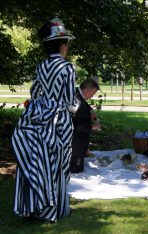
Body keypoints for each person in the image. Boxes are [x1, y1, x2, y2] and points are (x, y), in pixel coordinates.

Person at [11, 18, 77, 222]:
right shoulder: (67, 68)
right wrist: (76, 110)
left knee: (41, 161)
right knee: (60, 163)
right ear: (62, 44)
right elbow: (69, 100)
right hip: (61, 121)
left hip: (40, 118)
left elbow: (35, 92)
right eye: (65, 42)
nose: (66, 46)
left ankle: (38, 207)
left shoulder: (41, 66)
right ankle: (56, 209)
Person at [70, 77, 101, 173]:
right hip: (75, 145)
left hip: (77, 144)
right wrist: (93, 127)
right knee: (76, 170)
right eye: (92, 94)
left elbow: (83, 103)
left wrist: (90, 110)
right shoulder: (76, 101)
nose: (91, 97)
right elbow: (76, 126)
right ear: (86, 89)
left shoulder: (76, 93)